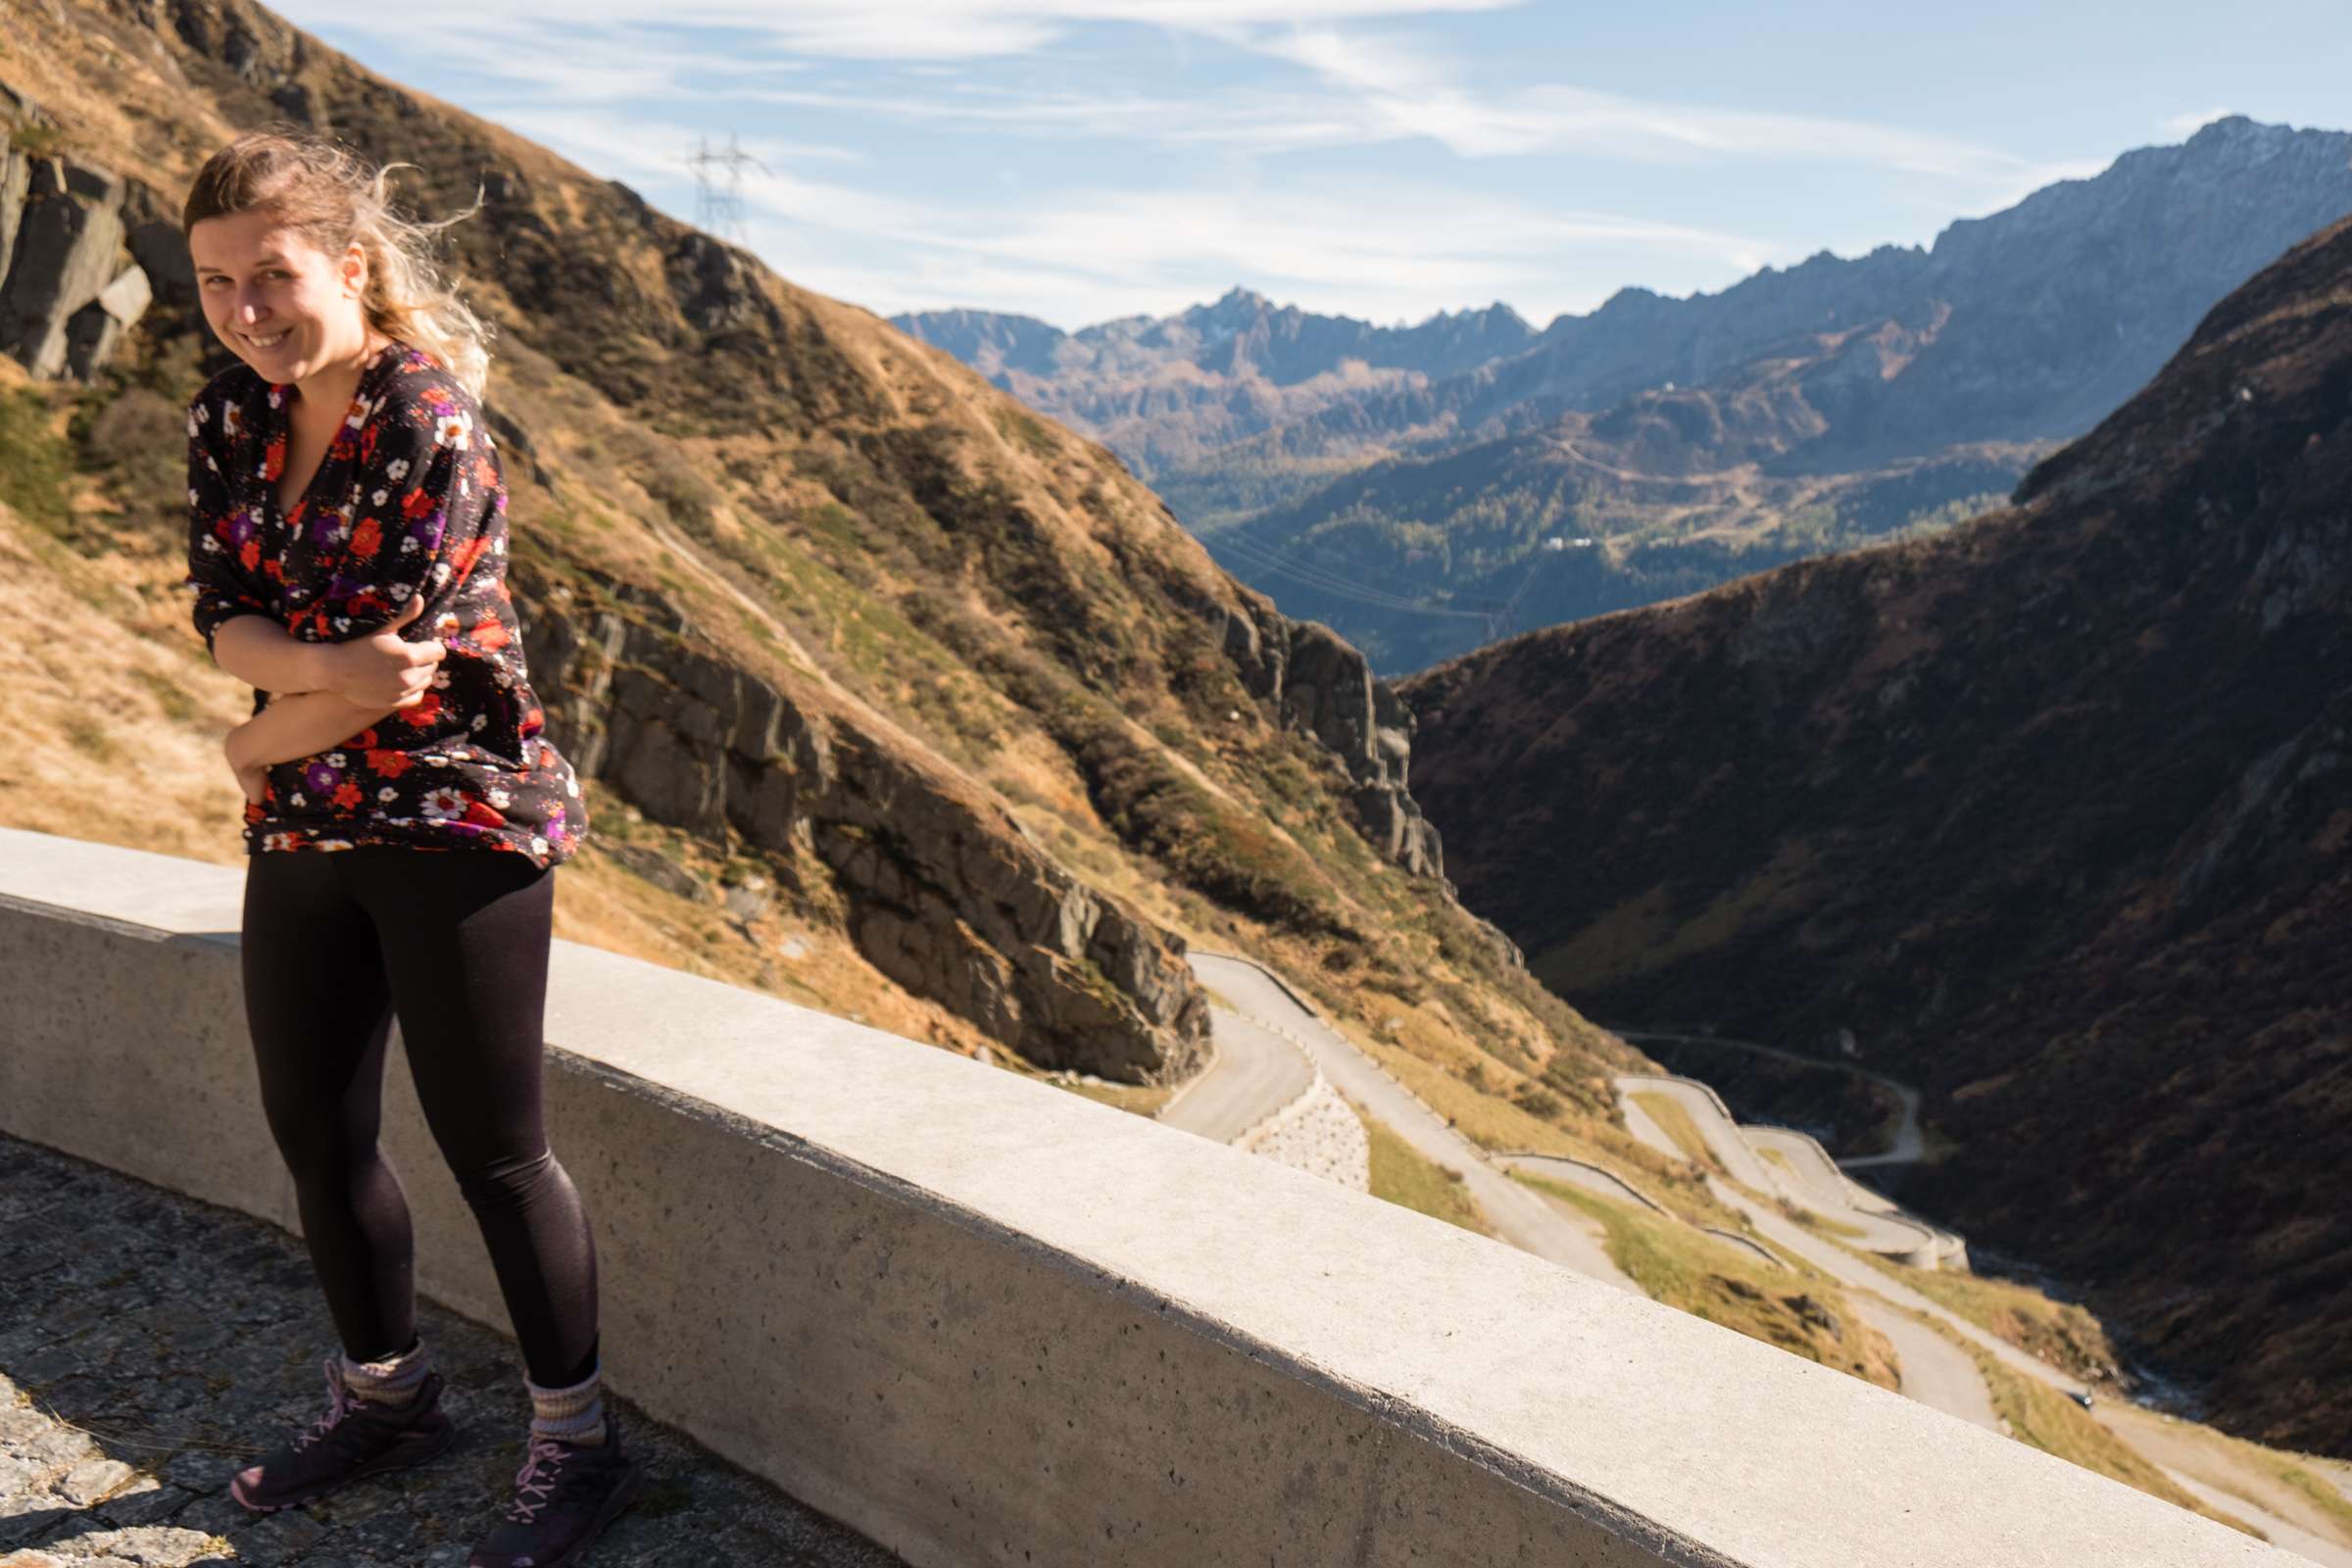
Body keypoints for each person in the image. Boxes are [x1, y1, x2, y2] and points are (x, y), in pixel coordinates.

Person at [180, 122, 639, 1568]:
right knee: (315, 1129)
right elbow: (225, 620)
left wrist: (252, 737)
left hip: (456, 817)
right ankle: (388, 1399)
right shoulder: (228, 420)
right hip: (311, 824)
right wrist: (282, 693)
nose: (245, 309)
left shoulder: (426, 416)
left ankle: (579, 1446)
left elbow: (396, 674)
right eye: (214, 283)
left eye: (273, 274)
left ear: (351, 266)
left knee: (494, 1151)